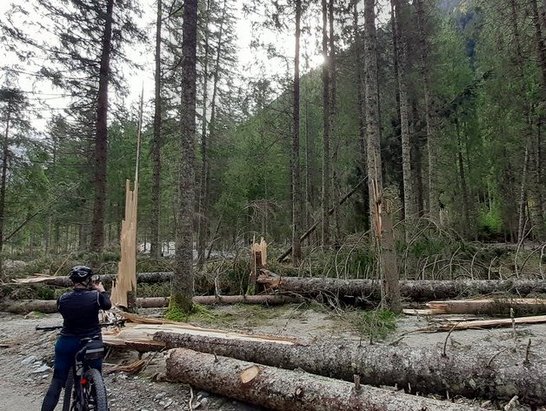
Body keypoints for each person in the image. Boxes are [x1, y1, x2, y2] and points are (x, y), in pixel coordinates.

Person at [41, 265, 112, 411]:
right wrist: (101, 290)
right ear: (88, 280)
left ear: (72, 281)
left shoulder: (63, 299)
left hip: (67, 342)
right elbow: (107, 305)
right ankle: (97, 400)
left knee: (57, 381)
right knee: (96, 373)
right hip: (91, 341)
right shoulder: (96, 297)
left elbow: (63, 311)